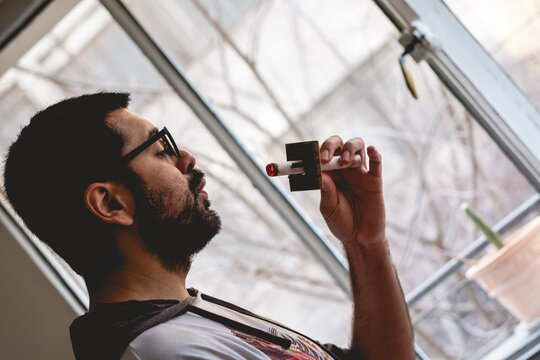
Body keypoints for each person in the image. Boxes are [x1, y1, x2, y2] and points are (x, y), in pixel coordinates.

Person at [3, 92, 414, 359]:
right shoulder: (165, 351)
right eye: (162, 149)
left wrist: (366, 241)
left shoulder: (182, 320)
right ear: (111, 202)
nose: (188, 160)